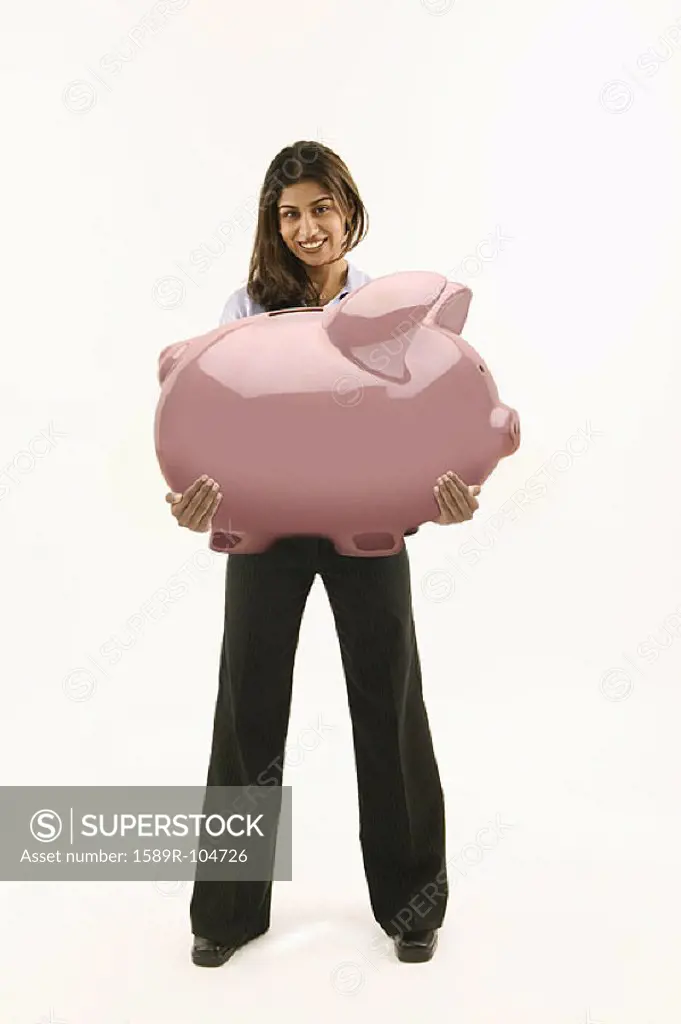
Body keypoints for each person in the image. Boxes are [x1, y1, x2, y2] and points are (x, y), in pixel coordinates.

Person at [165, 141, 482, 968]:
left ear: (348, 207)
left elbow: (422, 424)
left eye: (320, 208)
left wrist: (440, 498)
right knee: (247, 711)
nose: (307, 227)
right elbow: (215, 422)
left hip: (368, 527)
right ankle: (226, 914)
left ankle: (413, 905)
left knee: (389, 701)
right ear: (275, 225)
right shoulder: (244, 309)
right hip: (266, 530)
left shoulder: (393, 311)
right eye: (289, 214)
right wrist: (194, 498)